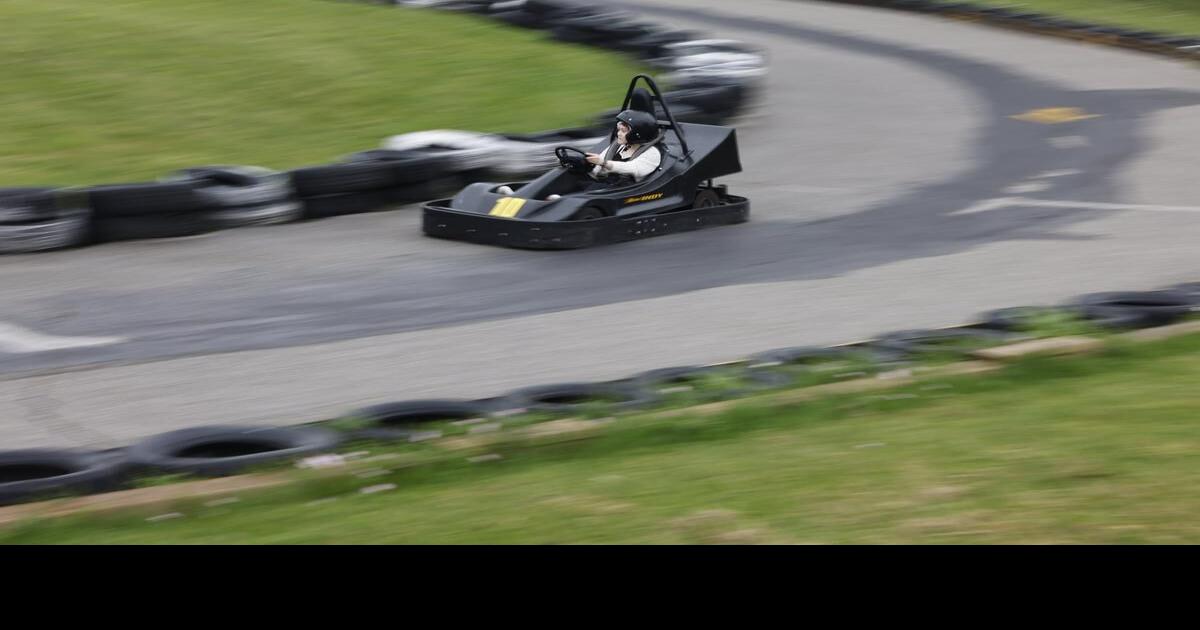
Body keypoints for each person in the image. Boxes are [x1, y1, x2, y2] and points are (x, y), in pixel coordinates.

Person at [496, 109, 662, 199]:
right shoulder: (617, 146)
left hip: (626, 191)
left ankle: (559, 203)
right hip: (604, 183)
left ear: (638, 133)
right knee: (568, 174)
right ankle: (521, 197)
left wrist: (603, 163)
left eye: (623, 131)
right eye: (618, 129)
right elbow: (598, 170)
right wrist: (585, 164)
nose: (618, 133)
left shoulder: (652, 154)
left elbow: (632, 169)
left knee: (593, 191)